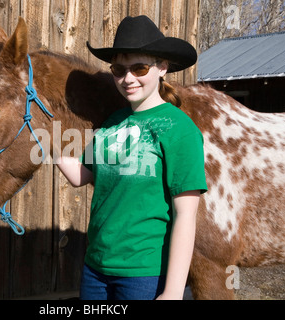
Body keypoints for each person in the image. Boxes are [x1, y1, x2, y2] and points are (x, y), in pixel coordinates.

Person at [56, 15, 207, 300]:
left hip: (143, 274)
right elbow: (82, 176)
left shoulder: (180, 129)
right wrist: (49, 147)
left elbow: (186, 214)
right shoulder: (112, 122)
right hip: (96, 269)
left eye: (139, 68)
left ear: (162, 67)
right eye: (118, 69)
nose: (128, 79)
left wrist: (173, 291)